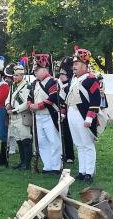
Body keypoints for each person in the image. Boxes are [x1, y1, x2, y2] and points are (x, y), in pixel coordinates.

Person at [66, 47, 101, 184]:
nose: (74, 66)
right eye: (74, 63)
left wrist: (89, 118)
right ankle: (82, 171)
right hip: (72, 113)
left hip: (83, 115)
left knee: (87, 144)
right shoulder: (74, 79)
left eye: (77, 63)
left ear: (85, 65)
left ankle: (89, 173)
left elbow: (95, 100)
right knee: (79, 145)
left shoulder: (91, 80)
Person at [28, 53, 62, 174]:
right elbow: (30, 97)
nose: (35, 72)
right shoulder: (34, 84)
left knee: (54, 141)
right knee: (42, 142)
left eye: (37, 70)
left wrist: (38, 105)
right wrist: (30, 105)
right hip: (38, 116)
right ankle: (47, 166)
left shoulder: (53, 82)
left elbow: (52, 98)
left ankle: (56, 166)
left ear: (45, 69)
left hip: (49, 115)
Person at [6, 65, 33, 170]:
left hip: (22, 115)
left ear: (22, 75)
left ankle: (27, 164)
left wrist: (13, 110)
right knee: (18, 140)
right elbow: (8, 98)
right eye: (14, 75)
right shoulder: (12, 86)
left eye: (17, 75)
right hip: (13, 116)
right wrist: (7, 104)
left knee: (25, 140)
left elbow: (27, 103)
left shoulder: (28, 86)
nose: (15, 77)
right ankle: (22, 162)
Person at [58, 57, 75, 163]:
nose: (60, 76)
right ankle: (63, 154)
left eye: (62, 74)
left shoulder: (71, 85)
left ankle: (70, 156)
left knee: (68, 135)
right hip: (59, 112)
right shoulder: (59, 84)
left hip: (69, 113)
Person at [4, 63, 18, 155]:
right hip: (6, 107)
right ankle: (10, 146)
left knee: (15, 129)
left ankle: (13, 147)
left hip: (16, 108)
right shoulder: (6, 84)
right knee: (8, 128)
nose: (7, 78)